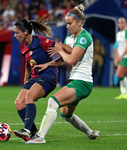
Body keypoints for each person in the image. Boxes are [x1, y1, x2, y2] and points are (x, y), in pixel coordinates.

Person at [26, 4, 99, 144]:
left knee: (53, 101)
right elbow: (63, 60)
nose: (67, 26)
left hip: (82, 82)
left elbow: (71, 60)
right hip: (76, 81)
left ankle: (40, 137)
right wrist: (48, 64)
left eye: (70, 23)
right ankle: (90, 133)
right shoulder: (70, 38)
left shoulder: (84, 37)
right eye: (66, 23)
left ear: (79, 23)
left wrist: (60, 50)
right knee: (66, 114)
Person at [12, 18, 71, 141]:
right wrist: (25, 78)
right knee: (18, 103)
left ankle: (26, 130)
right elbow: (28, 62)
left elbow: (66, 49)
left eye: (17, 32)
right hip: (35, 77)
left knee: (29, 97)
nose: (15, 35)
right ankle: (33, 132)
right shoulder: (22, 46)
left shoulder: (41, 41)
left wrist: (60, 52)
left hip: (49, 76)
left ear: (26, 32)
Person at [114, 17, 127, 100]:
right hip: (121, 56)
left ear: (125, 23)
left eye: (122, 22)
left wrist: (121, 57)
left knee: (118, 74)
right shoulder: (118, 34)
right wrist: (116, 57)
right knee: (122, 75)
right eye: (119, 22)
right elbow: (118, 47)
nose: (121, 24)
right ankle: (123, 93)